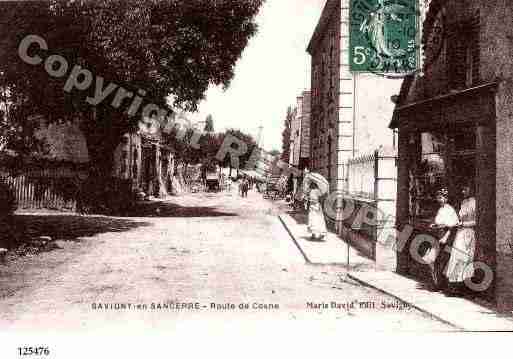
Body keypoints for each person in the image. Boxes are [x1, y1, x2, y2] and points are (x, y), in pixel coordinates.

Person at [445, 184, 476, 296]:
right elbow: (460, 218)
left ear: (471, 189)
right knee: (456, 257)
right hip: (460, 233)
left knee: (466, 258)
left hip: (469, 233)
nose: (463, 191)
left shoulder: (475, 202)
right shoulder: (463, 203)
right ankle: (455, 285)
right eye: (462, 189)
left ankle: (465, 287)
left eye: (465, 189)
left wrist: (464, 223)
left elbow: (477, 221)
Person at [427, 188, 459, 291]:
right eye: (438, 197)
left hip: (446, 237)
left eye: (441, 197)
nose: (439, 200)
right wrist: (434, 225)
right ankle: (437, 283)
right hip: (438, 235)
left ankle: (441, 284)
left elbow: (453, 226)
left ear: (446, 198)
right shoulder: (441, 209)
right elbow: (439, 222)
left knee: (442, 260)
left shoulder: (450, 210)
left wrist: (445, 237)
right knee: (431, 259)